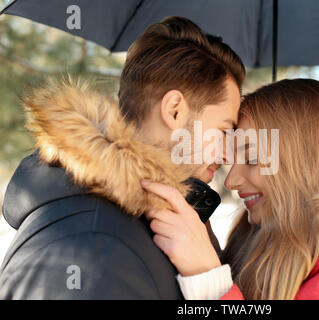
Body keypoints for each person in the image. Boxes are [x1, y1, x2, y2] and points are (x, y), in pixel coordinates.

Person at [0, 16, 244, 299]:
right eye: (224, 130)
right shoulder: (94, 249)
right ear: (175, 110)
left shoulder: (156, 227)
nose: (227, 153)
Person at [142, 78, 319, 300]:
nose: (231, 181)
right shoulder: (261, 237)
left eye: (251, 158)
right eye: (233, 160)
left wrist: (209, 278)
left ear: (304, 162)